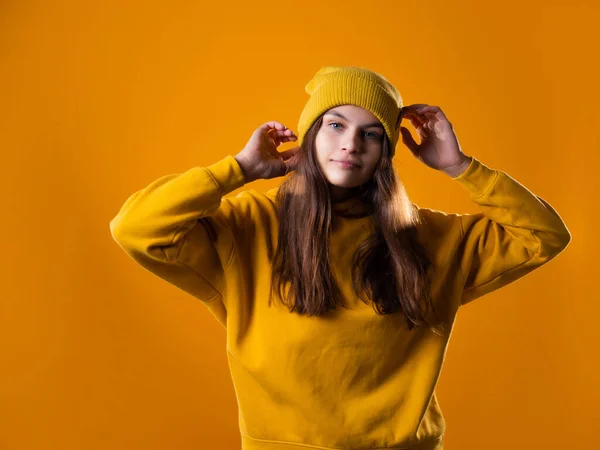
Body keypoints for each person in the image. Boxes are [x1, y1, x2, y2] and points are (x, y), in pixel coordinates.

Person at [109, 66, 571, 450]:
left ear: (386, 153)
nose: (351, 144)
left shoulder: (429, 237)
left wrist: (459, 166)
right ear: (309, 135)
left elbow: (544, 235)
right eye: (335, 125)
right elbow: (137, 229)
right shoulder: (248, 225)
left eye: (371, 134)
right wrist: (239, 169)